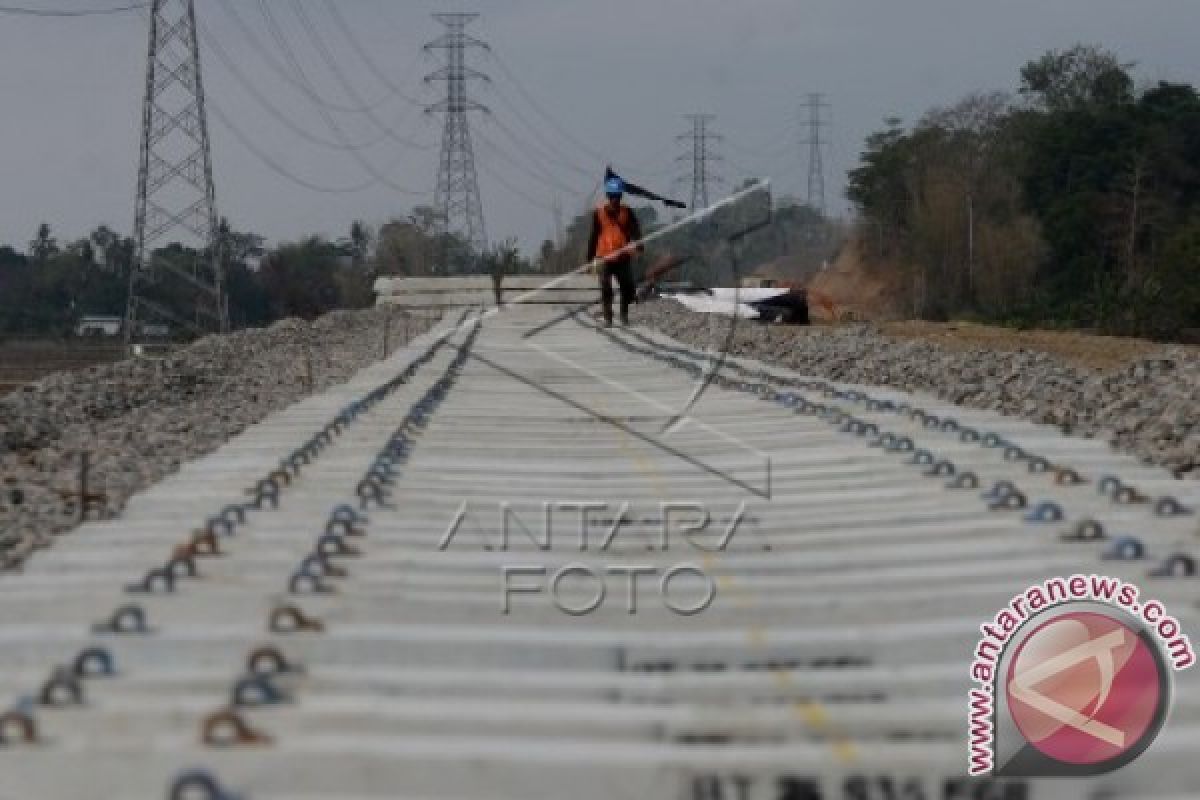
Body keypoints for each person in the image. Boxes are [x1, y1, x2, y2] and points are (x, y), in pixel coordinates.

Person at [587, 175, 644, 327]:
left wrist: (639, 246)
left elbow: (635, 231)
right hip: (604, 257)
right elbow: (593, 236)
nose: (615, 200)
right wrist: (589, 258)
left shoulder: (627, 212)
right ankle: (608, 318)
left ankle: (624, 315)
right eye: (612, 196)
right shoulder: (598, 214)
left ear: (620, 196)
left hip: (622, 257)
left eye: (617, 196)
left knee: (626, 287)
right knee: (606, 287)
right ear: (608, 196)